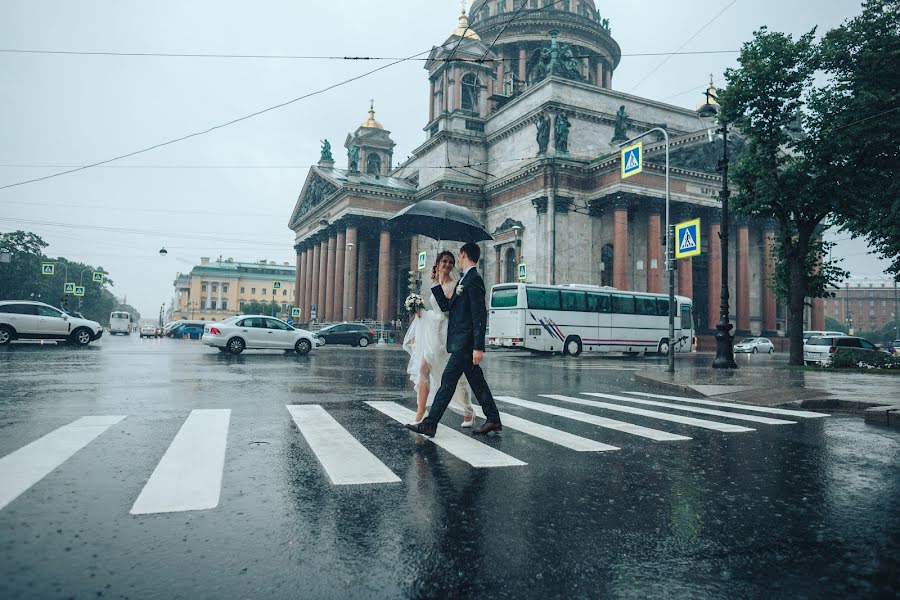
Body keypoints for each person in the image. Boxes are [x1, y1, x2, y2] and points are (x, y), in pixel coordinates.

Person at [406, 243, 502, 437]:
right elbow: (448, 306)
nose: (457, 259)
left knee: (448, 382)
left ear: (464, 254)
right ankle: (493, 419)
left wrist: (478, 347)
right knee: (476, 382)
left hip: (465, 344)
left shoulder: (473, 279)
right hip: (461, 342)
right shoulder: (465, 280)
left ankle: (430, 424)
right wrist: (434, 283)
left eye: (458, 256)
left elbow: (479, 314)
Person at [403, 251, 475, 427]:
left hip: (446, 333)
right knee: (424, 370)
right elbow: (434, 310)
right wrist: (420, 310)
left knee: (453, 377)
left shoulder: (455, 285)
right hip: (431, 331)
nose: (448, 264)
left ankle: (468, 411)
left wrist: (436, 284)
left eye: (451, 262)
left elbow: (446, 307)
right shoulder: (434, 283)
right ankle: (420, 411)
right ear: (437, 263)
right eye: (444, 261)